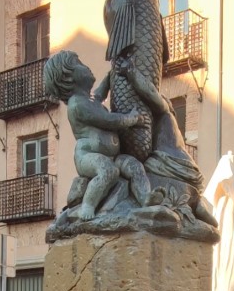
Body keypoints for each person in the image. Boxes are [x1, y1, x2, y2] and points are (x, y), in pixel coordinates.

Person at [43, 50, 153, 219]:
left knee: (135, 166)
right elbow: (107, 120)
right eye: (79, 63)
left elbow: (100, 94)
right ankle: (88, 205)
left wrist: (111, 76)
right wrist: (132, 119)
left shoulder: (90, 100)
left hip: (112, 156)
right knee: (108, 171)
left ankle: (146, 198)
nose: (86, 66)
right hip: (88, 156)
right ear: (68, 78)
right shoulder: (77, 104)